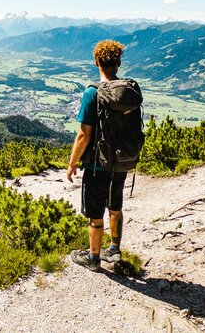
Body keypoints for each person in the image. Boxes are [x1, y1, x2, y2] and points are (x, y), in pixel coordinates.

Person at [67, 40, 130, 271]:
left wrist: (72, 163)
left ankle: (93, 259)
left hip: (97, 164)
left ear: (96, 62)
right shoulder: (126, 91)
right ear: (118, 62)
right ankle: (114, 249)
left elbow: (84, 135)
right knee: (115, 206)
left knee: (95, 215)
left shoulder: (92, 93)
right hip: (121, 161)